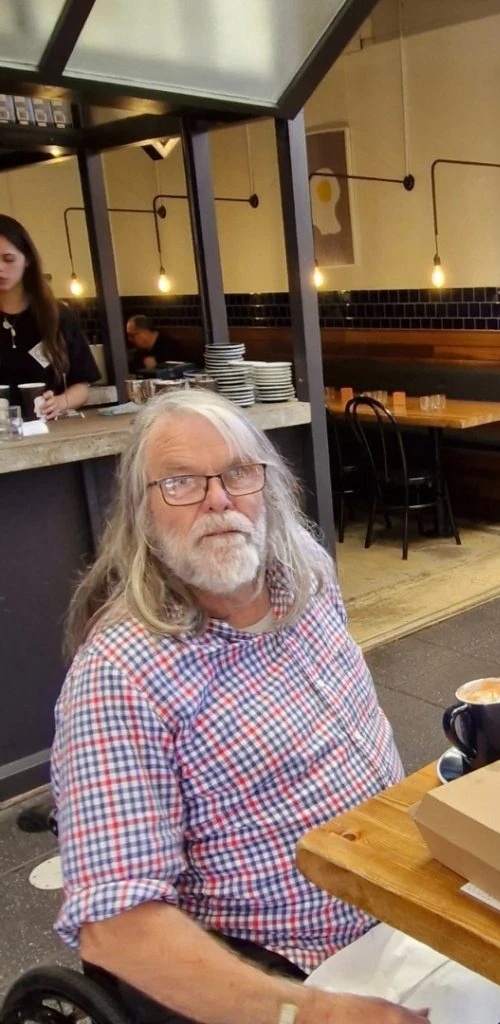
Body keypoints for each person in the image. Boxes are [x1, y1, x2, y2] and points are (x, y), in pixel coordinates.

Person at [54, 389, 428, 1024]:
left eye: (237, 472)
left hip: (407, 897)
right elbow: (115, 928)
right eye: (180, 483)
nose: (219, 499)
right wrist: (313, 1014)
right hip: (291, 962)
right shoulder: (120, 676)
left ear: (268, 485)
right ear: (141, 513)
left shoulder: (305, 571)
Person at [0, 214, 98, 417]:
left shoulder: (57, 316)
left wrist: (60, 402)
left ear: (27, 260)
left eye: (8, 259)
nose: (0, 268)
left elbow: (82, 384)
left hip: (47, 434)